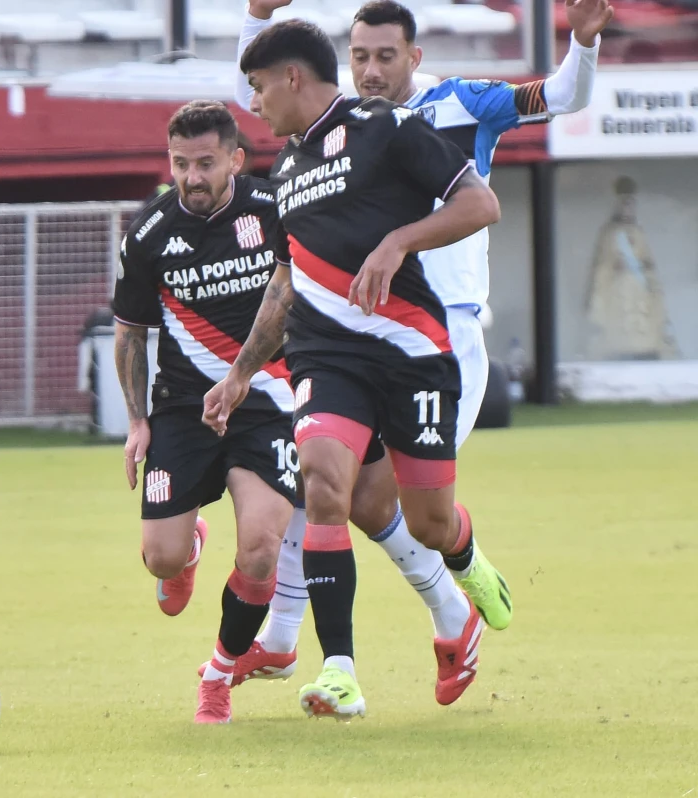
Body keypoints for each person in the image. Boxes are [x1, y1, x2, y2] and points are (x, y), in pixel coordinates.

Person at [217, 0, 609, 713]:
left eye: (385, 57)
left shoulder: (461, 107)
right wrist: (256, 18)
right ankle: (304, 642)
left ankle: (457, 576)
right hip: (342, 340)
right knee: (325, 480)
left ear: (414, 58)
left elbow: (559, 97)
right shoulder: (316, 145)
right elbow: (270, 88)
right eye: (360, 56)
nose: (370, 70)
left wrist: (582, 44)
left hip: (441, 336)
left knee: (397, 509)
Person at [204, 19, 510, 721]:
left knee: (424, 521)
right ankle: (339, 671)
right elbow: (285, 283)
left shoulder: (387, 128)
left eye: (258, 88)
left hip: (411, 351)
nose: (253, 105)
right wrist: (242, 372)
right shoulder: (283, 170)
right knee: (323, 485)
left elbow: (480, 203)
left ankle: (462, 559)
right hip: (328, 357)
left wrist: (397, 243)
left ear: (291, 78)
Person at [113, 100, 298, 724]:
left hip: (266, 404)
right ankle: (186, 547)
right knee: (160, 563)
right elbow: (131, 332)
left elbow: (296, 295)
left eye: (205, 163)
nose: (191, 177)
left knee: (262, 548)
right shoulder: (148, 233)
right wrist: (138, 421)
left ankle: (218, 675)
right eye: (179, 163)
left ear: (236, 160)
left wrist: (246, 377)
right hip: (181, 409)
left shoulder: (274, 210)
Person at [585, 176, 678, 360]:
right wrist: (614, 267)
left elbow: (648, 262)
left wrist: (643, 267)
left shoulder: (639, 232)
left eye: (631, 205)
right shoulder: (609, 233)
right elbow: (601, 266)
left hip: (639, 294)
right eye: (624, 205)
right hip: (618, 293)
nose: (628, 209)